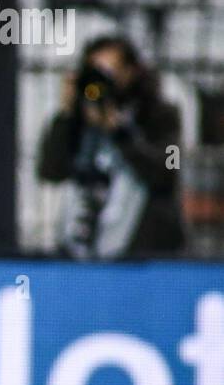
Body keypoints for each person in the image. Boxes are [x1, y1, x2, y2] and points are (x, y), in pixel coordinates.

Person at [37, 34, 185, 258]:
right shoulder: (78, 121)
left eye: (109, 72)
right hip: (82, 246)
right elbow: (50, 170)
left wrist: (119, 132)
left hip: (142, 251)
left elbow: (168, 169)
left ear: (130, 71)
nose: (102, 82)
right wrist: (66, 116)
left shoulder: (162, 115)